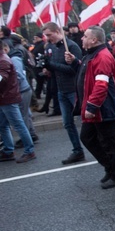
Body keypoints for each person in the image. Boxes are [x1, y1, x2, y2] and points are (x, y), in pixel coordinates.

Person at [75, 26, 115, 188]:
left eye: (85, 36)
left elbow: (101, 85)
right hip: (96, 108)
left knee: (109, 142)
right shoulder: (93, 54)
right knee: (88, 137)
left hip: (103, 108)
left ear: (94, 40)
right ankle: (110, 168)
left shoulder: (102, 57)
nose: (82, 38)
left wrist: (92, 106)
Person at [41, 23, 84, 163]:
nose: (47, 38)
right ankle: (77, 150)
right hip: (61, 90)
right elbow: (57, 68)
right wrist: (48, 70)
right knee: (67, 123)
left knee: (86, 121)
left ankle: (100, 147)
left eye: (49, 35)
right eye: (45, 36)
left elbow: (74, 69)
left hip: (73, 89)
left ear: (57, 31)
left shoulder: (71, 46)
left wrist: (52, 66)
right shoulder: (51, 47)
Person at [0, 42, 35, 163]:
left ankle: (29, 151)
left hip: (8, 98)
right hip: (4, 98)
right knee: (3, 126)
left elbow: (1, 79)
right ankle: (8, 151)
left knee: (18, 125)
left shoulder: (3, 61)